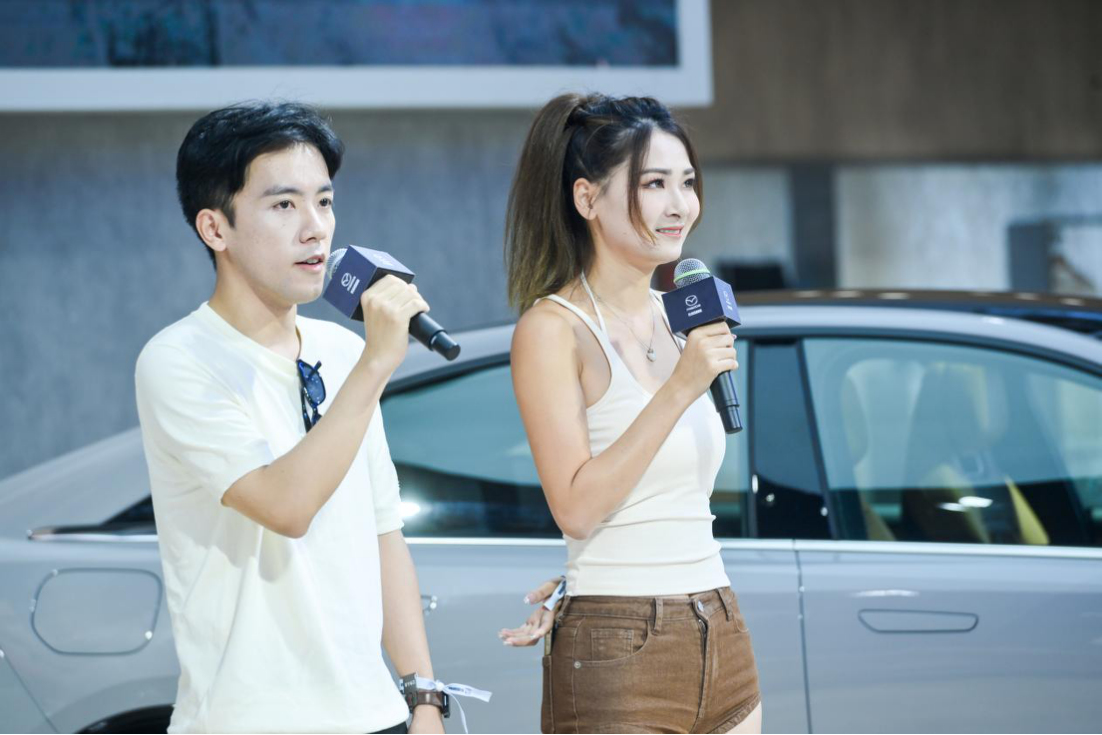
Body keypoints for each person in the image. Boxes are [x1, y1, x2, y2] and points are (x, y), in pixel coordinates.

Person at [135, 101, 444, 734]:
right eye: (283, 205)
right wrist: (376, 365)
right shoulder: (178, 359)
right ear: (215, 228)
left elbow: (383, 533)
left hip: (375, 714)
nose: (315, 229)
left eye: (324, 202)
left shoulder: (343, 351)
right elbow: (286, 507)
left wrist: (423, 698)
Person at [498, 93, 763, 734]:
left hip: (720, 622)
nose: (680, 205)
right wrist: (681, 387)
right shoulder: (552, 329)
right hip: (618, 645)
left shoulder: (681, 318)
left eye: (687, 183)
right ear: (587, 199)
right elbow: (576, 507)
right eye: (654, 184)